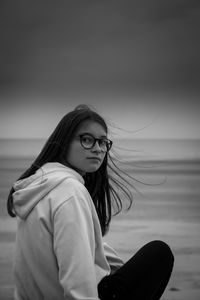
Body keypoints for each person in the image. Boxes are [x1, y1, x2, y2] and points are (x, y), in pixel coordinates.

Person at [7, 104, 174, 300]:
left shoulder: (39, 185)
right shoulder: (70, 192)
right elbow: (76, 280)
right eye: (87, 140)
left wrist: (110, 263)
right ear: (63, 142)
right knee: (159, 254)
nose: (97, 149)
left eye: (103, 142)